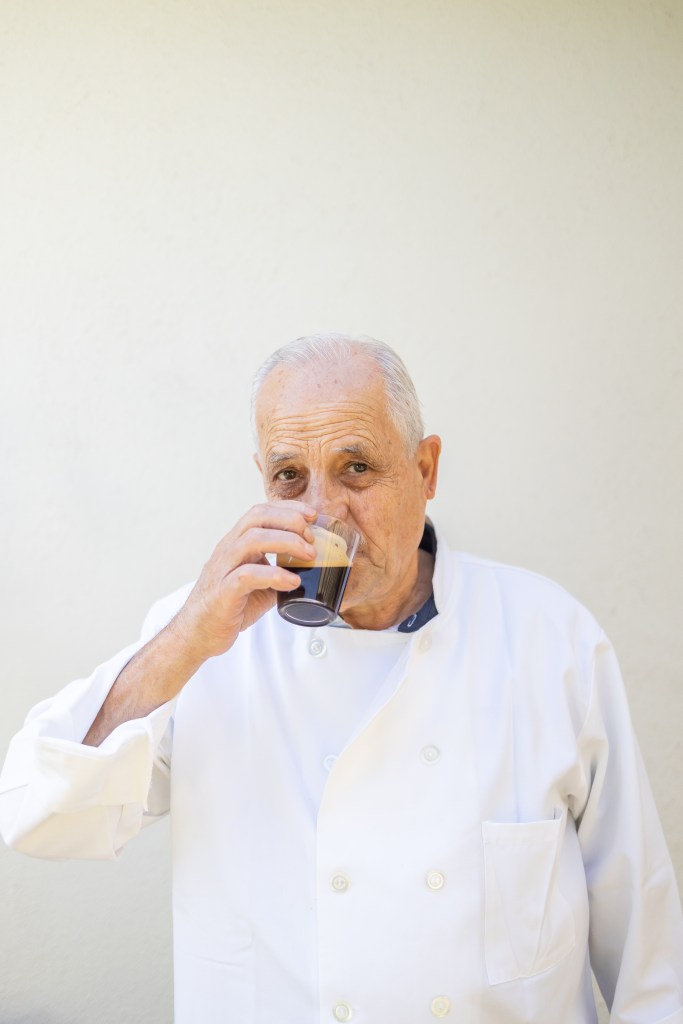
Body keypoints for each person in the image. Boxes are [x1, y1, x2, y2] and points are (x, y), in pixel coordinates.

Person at [1, 333, 682, 1024]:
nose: (322, 512)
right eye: (289, 476)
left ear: (425, 469)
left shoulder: (549, 637)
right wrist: (183, 642)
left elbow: (650, 957)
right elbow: (35, 817)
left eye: (356, 468)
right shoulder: (207, 642)